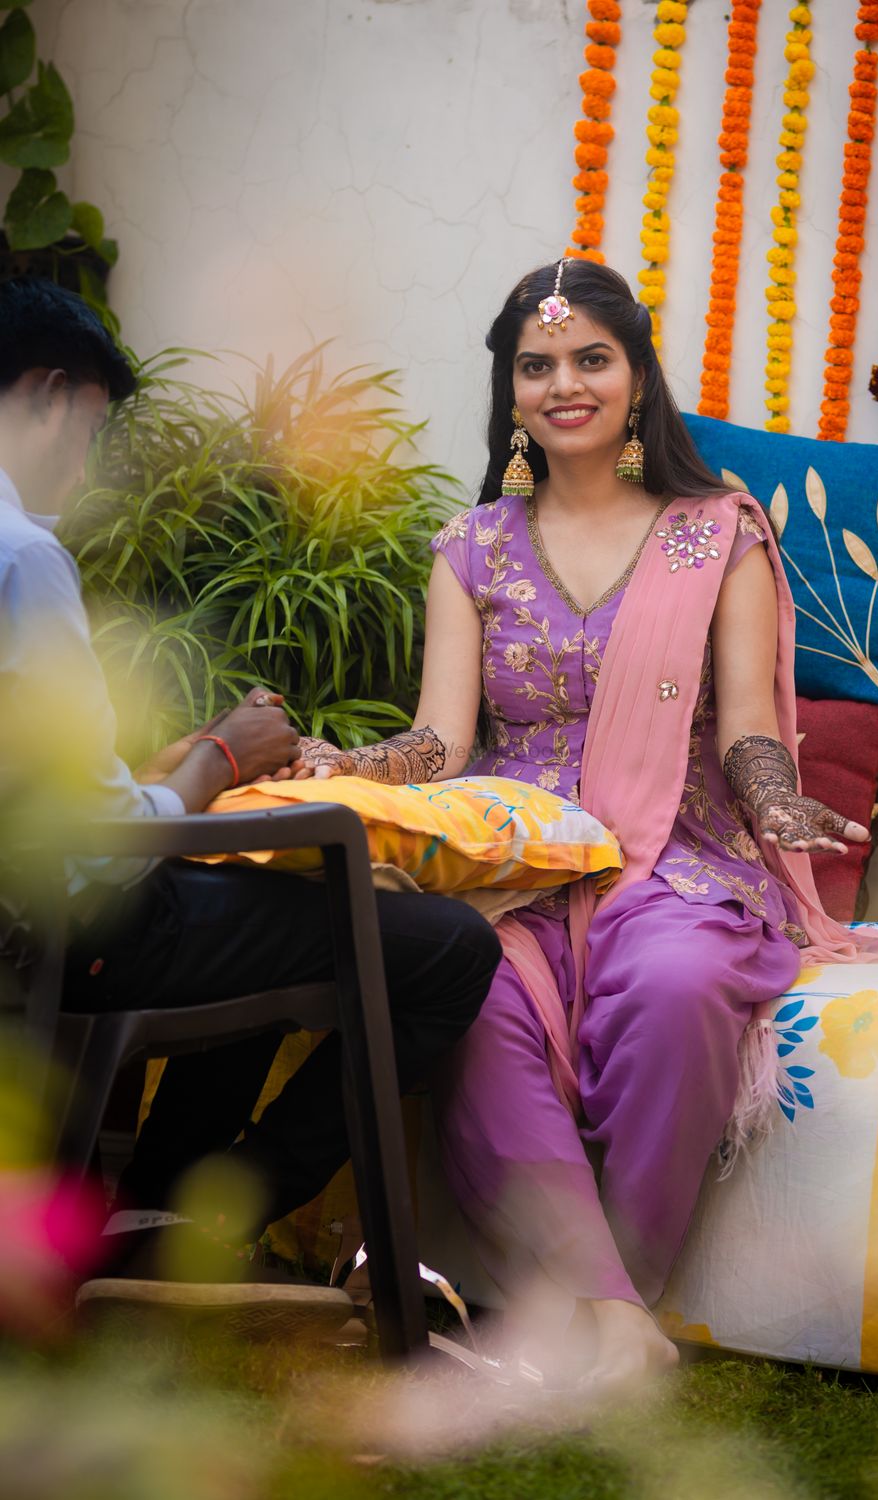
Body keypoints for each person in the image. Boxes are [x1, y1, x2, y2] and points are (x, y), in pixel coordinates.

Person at [290, 258, 878, 1385]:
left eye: (589, 359)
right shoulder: (468, 549)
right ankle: (619, 1323)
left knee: (675, 985)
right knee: (471, 996)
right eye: (537, 366)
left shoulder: (716, 534)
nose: (565, 384)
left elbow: (747, 724)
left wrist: (772, 798)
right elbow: (441, 744)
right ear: (509, 392)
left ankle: (603, 1299)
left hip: (675, 855)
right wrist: (351, 765)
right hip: (518, 858)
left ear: (636, 376)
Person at [0, 277, 501, 1319]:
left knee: (254, 905)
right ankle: (215, 1216)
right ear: (48, 393)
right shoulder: (23, 558)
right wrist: (224, 756)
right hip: (68, 930)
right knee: (445, 947)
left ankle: (149, 1214)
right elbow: (97, 856)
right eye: (89, 432)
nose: (85, 464)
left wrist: (156, 777)